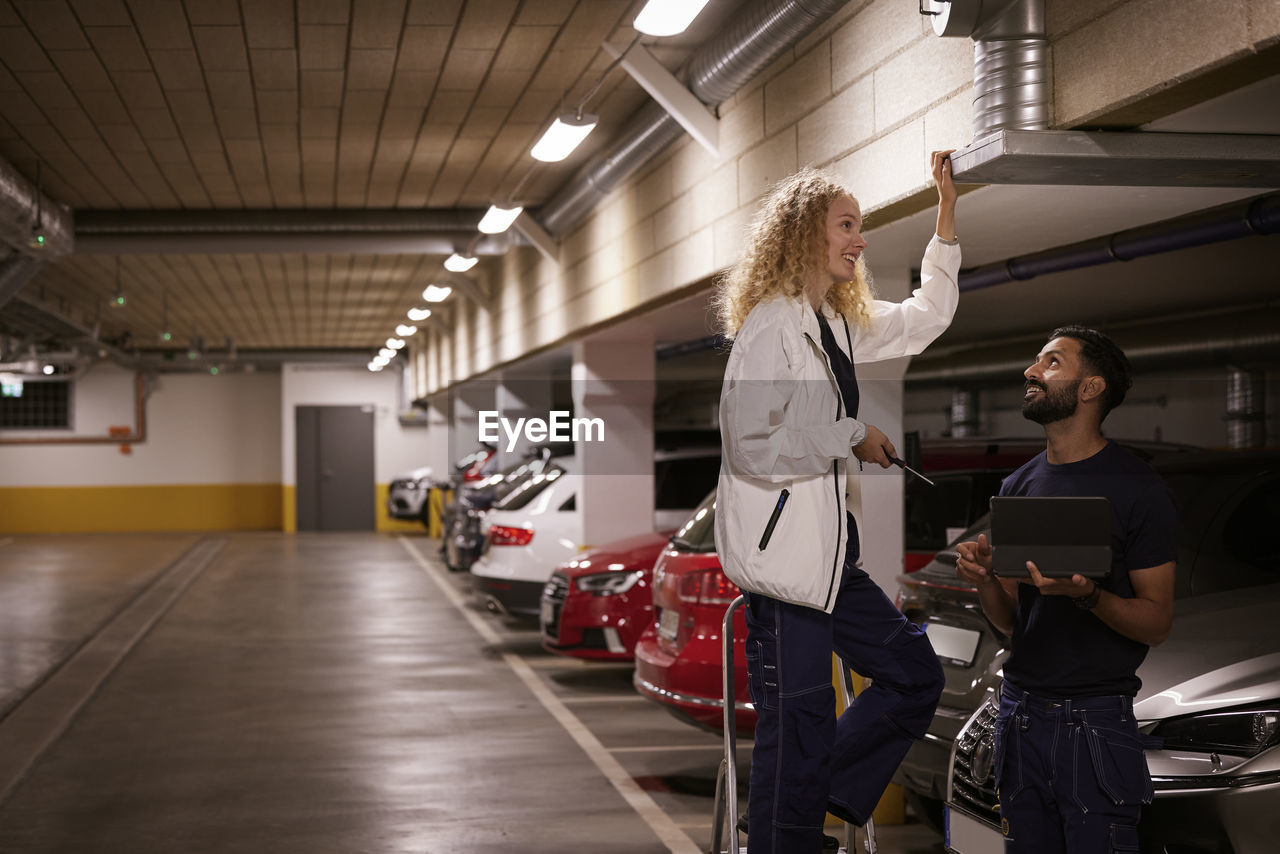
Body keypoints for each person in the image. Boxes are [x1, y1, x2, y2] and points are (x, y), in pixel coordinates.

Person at [713, 151, 960, 854]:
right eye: (846, 225)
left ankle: (800, 806)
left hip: (827, 565)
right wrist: (852, 432)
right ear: (803, 235)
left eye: (860, 226)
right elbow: (753, 447)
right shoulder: (771, 327)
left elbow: (924, 318)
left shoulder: (834, 326)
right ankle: (788, 829)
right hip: (786, 574)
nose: (859, 239)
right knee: (799, 724)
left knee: (914, 676)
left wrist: (945, 215)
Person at [953, 327, 1178, 854]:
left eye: (1051, 363)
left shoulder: (1139, 490)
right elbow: (1011, 622)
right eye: (1036, 362)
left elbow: (1157, 622)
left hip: (1094, 723)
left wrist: (1087, 596)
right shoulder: (1019, 487)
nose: (1031, 373)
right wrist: (987, 580)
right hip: (1020, 713)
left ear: (1090, 388)